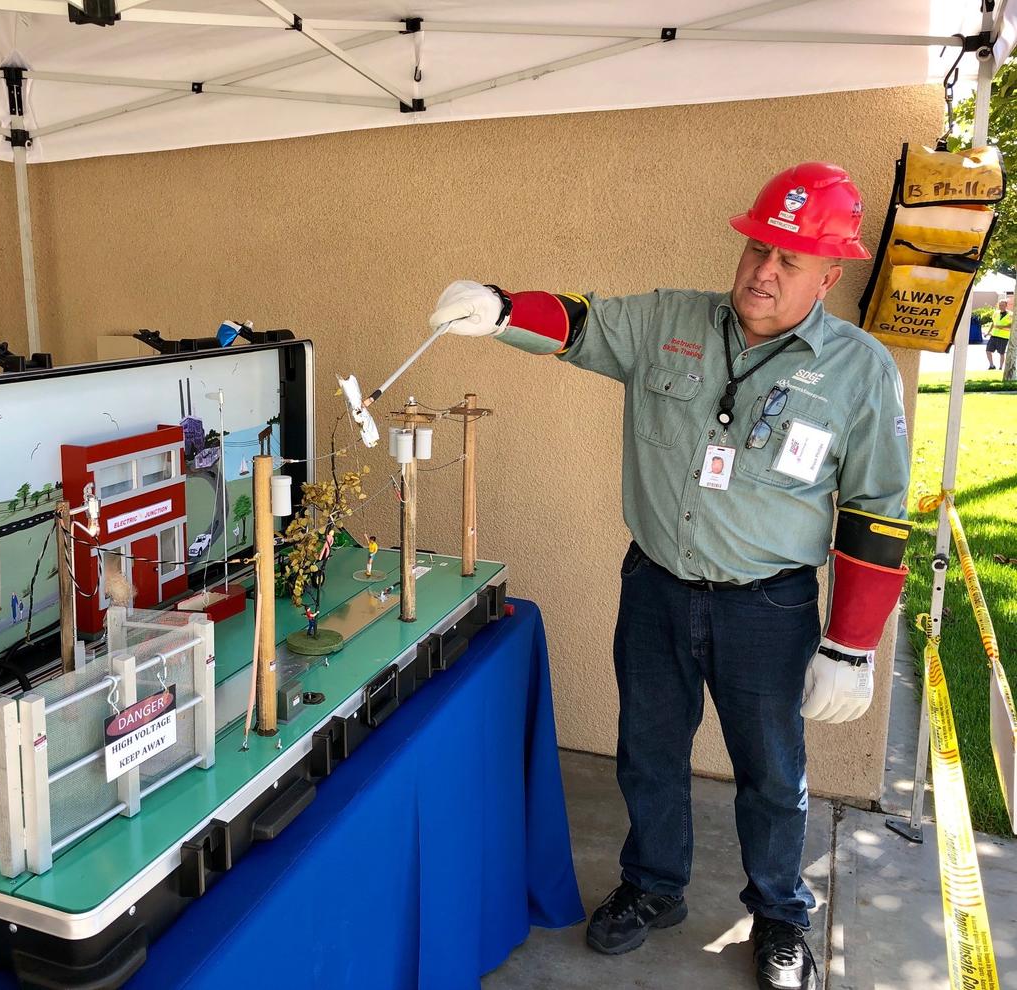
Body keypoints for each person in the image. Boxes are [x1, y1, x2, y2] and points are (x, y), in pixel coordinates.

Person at [428, 162, 910, 990]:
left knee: (772, 774)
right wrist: (506, 310)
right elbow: (581, 323)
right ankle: (654, 888)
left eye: (789, 261)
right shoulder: (670, 321)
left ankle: (781, 915)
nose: (764, 270)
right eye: (758, 248)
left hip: (770, 605)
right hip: (654, 587)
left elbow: (876, 511)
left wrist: (853, 643)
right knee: (649, 752)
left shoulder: (859, 371)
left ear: (830, 275)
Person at [987, 296, 1011, 370]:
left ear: (1006, 305)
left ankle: (1000, 368)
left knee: (1001, 353)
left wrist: (1002, 326)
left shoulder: (1011, 314)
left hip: (1003, 337)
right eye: (1000, 305)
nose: (1001, 306)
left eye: (1002, 305)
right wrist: (988, 332)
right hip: (994, 335)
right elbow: (993, 323)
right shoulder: (996, 313)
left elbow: (1011, 325)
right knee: (988, 350)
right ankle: (991, 365)